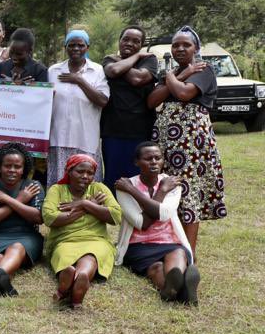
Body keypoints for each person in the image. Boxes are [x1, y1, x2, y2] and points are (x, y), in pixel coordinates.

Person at [147, 26, 226, 254]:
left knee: (187, 192)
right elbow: (152, 101)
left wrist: (170, 76)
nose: (180, 48)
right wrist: (179, 75)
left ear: (196, 49)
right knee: (167, 188)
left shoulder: (203, 70)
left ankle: (188, 257)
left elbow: (183, 94)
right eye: (176, 45)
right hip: (167, 143)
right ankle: (168, 248)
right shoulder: (180, 71)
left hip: (190, 142)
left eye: (186, 45)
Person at [114, 142, 199, 305]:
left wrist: (143, 191)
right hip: (138, 245)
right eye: (148, 159)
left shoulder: (172, 183)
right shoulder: (124, 186)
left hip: (169, 241)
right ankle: (183, 293)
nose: (154, 162)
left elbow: (165, 214)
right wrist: (156, 191)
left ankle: (171, 288)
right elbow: (142, 223)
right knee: (156, 268)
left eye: (157, 158)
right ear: (136, 162)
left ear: (162, 161)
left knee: (178, 253)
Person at [41, 154, 121, 309]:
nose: (85, 176)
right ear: (68, 171)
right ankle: (73, 286)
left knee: (92, 255)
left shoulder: (99, 188)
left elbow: (116, 216)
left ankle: (73, 283)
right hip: (65, 240)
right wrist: (88, 208)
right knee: (65, 254)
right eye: (80, 171)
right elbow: (49, 218)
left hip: (96, 239)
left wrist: (84, 203)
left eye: (90, 173)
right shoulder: (57, 190)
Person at [0, 143, 46, 297]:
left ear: (24, 169)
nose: (12, 170)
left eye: (17, 166)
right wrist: (20, 200)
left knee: (16, 247)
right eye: (7, 166)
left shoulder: (33, 186)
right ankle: (1, 279)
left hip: (27, 236)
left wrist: (7, 199)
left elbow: (38, 217)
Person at [47, 29, 109, 184]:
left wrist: (79, 81)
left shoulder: (97, 70)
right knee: (59, 182)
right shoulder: (53, 70)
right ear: (65, 47)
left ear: (87, 47)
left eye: (80, 45)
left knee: (85, 182)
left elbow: (102, 100)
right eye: (71, 45)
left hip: (85, 138)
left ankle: (86, 209)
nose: (76, 49)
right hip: (58, 138)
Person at [101, 26, 158, 189]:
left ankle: (139, 213)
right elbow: (113, 71)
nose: (129, 43)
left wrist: (132, 58)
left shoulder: (149, 60)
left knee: (138, 177)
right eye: (126, 39)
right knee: (113, 177)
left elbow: (138, 79)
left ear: (141, 45)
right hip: (113, 130)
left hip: (141, 130)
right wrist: (134, 57)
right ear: (119, 41)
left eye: (136, 41)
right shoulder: (108, 60)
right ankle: (113, 213)